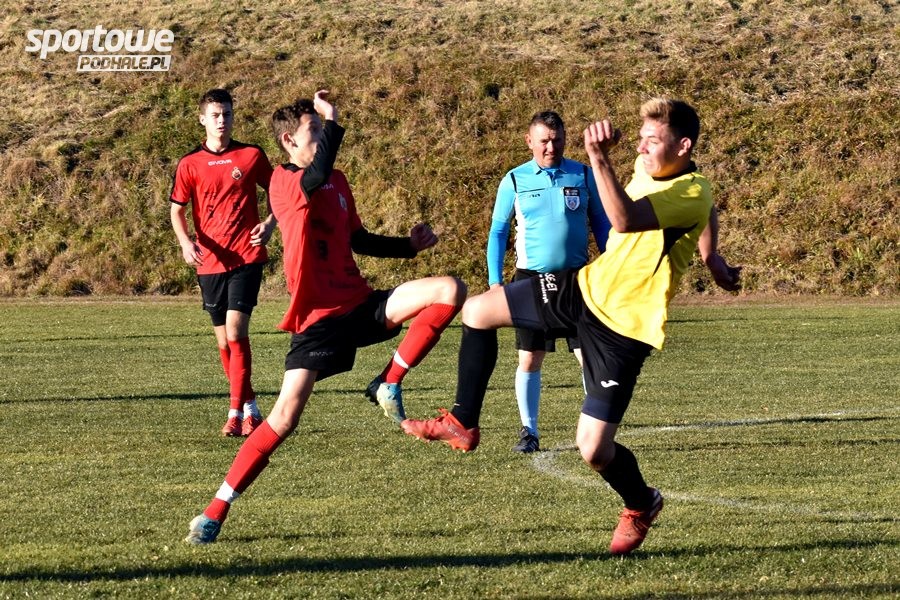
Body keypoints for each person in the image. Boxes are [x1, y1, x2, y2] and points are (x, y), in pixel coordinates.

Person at [402, 98, 740, 555]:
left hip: (623, 330)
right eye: (641, 138)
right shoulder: (659, 170)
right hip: (581, 287)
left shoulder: (690, 191)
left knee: (593, 450)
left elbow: (627, 218)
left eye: (652, 140)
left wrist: (598, 159)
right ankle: (462, 421)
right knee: (477, 311)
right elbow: (708, 208)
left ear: (683, 146)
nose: (641, 148)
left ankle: (640, 503)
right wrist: (711, 256)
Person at [184, 90, 466, 544]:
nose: (319, 137)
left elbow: (358, 239)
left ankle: (388, 381)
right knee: (282, 420)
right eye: (312, 131)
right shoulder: (284, 181)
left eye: (320, 131)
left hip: (359, 303)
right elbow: (313, 175)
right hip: (318, 320)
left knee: (450, 289)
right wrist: (332, 120)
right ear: (288, 141)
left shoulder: (337, 180)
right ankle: (215, 511)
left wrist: (408, 247)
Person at [487, 110, 610, 453]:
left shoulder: (582, 174)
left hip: (577, 280)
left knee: (589, 357)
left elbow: (601, 223)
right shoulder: (514, 180)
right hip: (530, 281)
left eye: (557, 140)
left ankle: (596, 430)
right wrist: (495, 281)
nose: (551, 147)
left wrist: (612, 265)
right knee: (530, 357)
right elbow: (498, 232)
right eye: (544, 141)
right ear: (530, 141)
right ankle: (529, 432)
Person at [170, 88, 276, 437]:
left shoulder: (251, 155)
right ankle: (251, 409)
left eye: (227, 114)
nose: (222, 121)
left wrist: (270, 223)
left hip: (247, 256)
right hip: (210, 261)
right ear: (202, 119)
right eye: (215, 115)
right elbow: (176, 210)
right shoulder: (189, 163)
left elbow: (278, 192)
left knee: (235, 332)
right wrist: (185, 242)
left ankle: (233, 414)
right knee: (223, 343)